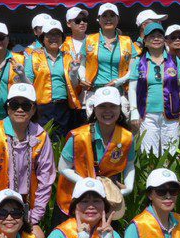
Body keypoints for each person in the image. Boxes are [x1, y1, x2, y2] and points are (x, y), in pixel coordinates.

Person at [0, 83, 55, 238]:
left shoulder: (41, 136)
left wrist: (34, 216)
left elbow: (46, 178)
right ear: (7, 108)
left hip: (21, 207)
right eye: (15, 105)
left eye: (26, 105)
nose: (20, 110)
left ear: (33, 109)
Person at [56, 87, 136, 217]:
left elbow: (129, 163)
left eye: (113, 106)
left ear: (119, 108)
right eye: (102, 106)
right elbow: (63, 168)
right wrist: (88, 185)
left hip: (108, 198)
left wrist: (129, 187)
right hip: (75, 197)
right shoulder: (79, 136)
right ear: (95, 108)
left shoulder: (127, 137)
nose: (108, 111)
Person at [126, 21, 180, 154]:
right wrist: (134, 110)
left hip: (171, 114)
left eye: (159, 35)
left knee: (171, 152)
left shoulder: (174, 60)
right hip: (147, 115)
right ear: (145, 41)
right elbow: (132, 88)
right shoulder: (139, 62)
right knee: (149, 153)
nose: (156, 39)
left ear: (164, 40)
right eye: (152, 36)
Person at [24, 16, 77, 131]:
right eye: (50, 35)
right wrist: (21, 76)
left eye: (57, 34)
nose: (54, 38)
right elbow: (29, 83)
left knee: (61, 142)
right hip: (41, 107)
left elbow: (75, 84)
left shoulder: (69, 57)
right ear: (43, 38)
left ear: (62, 38)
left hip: (63, 107)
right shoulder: (34, 56)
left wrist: (74, 72)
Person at [83, 4, 136, 94]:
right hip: (95, 91)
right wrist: (83, 78)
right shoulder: (89, 40)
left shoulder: (127, 41)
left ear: (118, 19)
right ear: (98, 19)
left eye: (112, 15)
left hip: (119, 91)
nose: (108, 19)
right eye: (104, 16)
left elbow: (134, 68)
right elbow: (81, 64)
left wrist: (119, 81)